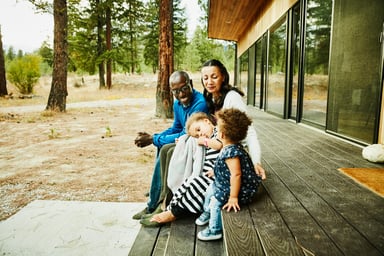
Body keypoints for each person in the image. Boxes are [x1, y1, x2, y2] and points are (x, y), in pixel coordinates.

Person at [132, 71, 208, 219]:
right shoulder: (177, 104)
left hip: (199, 144)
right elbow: (176, 128)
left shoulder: (200, 103)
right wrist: (156, 137)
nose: (181, 94)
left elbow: (187, 133)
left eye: (184, 88)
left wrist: (153, 139)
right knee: (162, 145)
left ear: (191, 84)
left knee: (166, 148)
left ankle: (162, 204)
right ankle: (154, 201)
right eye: (176, 91)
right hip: (186, 140)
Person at [143, 112, 222, 226]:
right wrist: (183, 141)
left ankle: (174, 213)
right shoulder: (208, 137)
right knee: (186, 184)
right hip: (209, 173)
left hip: (218, 175)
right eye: (197, 135)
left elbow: (219, 145)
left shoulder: (219, 132)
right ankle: (169, 208)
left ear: (206, 121)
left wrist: (204, 141)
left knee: (196, 185)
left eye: (199, 129)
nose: (200, 134)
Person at [196, 108, 262, 241]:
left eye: (218, 128)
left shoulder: (231, 153)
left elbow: (236, 175)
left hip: (240, 189)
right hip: (227, 182)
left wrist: (233, 197)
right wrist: (216, 171)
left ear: (222, 135)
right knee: (209, 190)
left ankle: (215, 230)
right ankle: (207, 212)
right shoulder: (230, 147)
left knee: (215, 202)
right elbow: (228, 168)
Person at [201, 59, 266, 180]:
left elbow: (250, 133)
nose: (209, 82)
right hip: (219, 146)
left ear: (223, 77)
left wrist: (256, 162)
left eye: (214, 77)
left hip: (233, 151)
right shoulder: (210, 98)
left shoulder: (232, 97)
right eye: (205, 78)